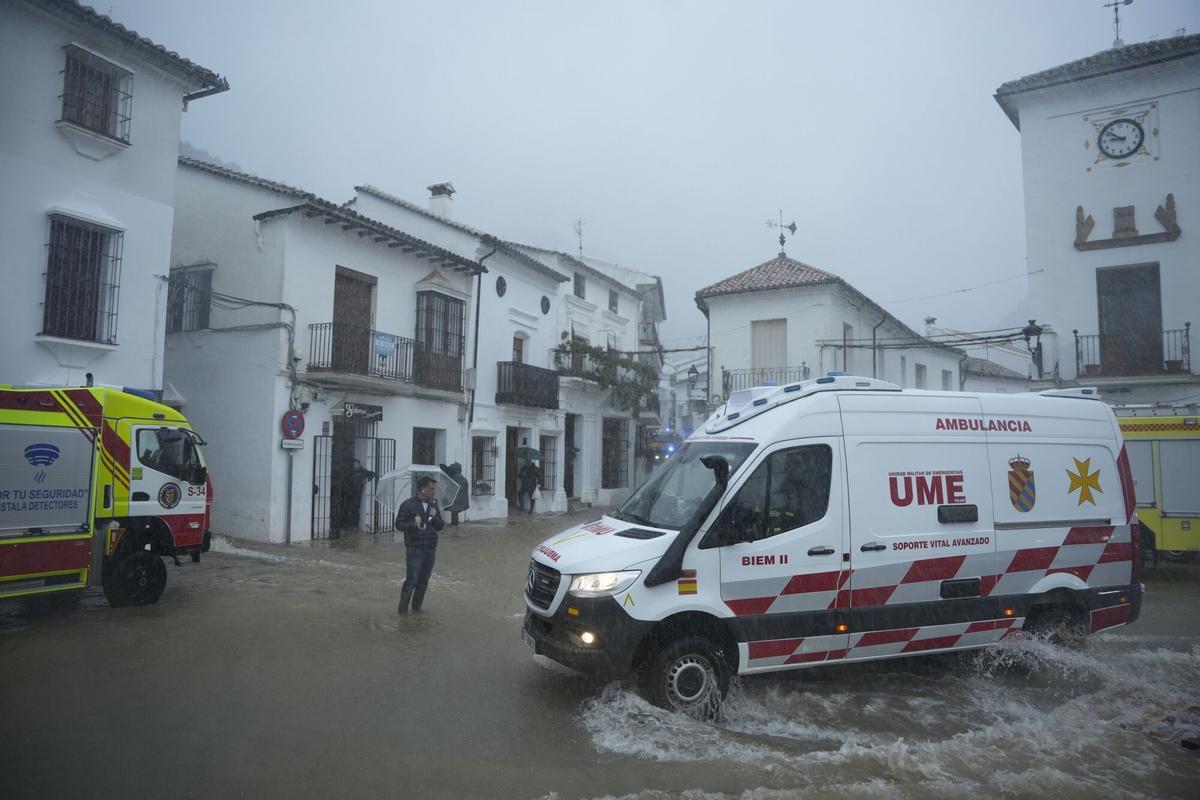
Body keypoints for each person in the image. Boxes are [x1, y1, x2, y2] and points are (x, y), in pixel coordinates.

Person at [395, 476, 444, 614]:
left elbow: (440, 526)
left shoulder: (433, 505)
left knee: (423, 580)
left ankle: (417, 609)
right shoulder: (408, 505)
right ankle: (403, 612)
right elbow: (399, 524)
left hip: (430, 547)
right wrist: (413, 524)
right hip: (414, 548)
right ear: (423, 489)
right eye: (431, 489)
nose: (434, 492)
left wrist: (434, 517)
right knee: (412, 579)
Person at [335, 458, 375, 532]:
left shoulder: (363, 471)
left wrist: (367, 479)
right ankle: (348, 525)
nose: (355, 465)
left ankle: (355, 525)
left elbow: (372, 474)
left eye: (357, 464)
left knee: (355, 510)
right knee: (348, 510)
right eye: (354, 464)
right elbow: (345, 480)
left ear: (359, 464)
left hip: (357, 494)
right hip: (349, 493)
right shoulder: (350, 472)